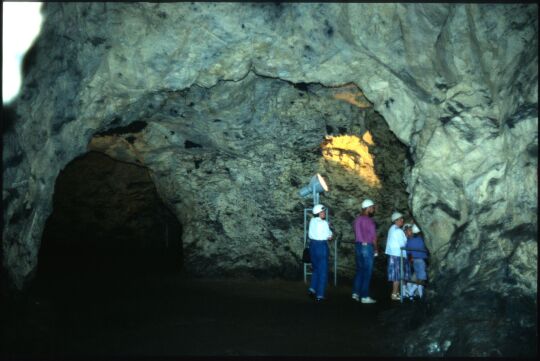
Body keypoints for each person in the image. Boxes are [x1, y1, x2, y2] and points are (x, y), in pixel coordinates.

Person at [351, 198, 378, 304]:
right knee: (367, 272)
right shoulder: (369, 221)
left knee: (360, 270)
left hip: (358, 246)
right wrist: (376, 249)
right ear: (367, 208)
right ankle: (365, 296)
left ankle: (355, 293)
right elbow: (374, 237)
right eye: (372, 207)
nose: (373, 209)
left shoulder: (356, 220)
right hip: (367, 247)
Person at [307, 204, 333, 302]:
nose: (324, 213)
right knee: (323, 271)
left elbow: (319, 226)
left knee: (316, 269)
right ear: (318, 213)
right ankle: (320, 295)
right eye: (322, 212)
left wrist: (326, 225)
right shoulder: (324, 223)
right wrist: (330, 231)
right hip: (321, 246)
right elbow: (329, 236)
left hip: (312, 246)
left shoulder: (312, 221)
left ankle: (312, 289)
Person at [384, 212, 410, 301]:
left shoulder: (392, 228)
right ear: (396, 220)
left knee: (396, 275)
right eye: (400, 219)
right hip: (398, 255)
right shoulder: (398, 231)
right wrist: (406, 237)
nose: (402, 220)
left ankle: (397, 292)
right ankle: (394, 294)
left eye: (402, 218)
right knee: (397, 276)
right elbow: (403, 244)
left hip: (393, 255)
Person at [404, 224, 428, 299]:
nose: (410, 231)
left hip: (415, 261)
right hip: (420, 260)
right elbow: (424, 246)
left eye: (410, 230)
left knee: (418, 277)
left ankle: (420, 296)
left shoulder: (408, 242)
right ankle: (411, 291)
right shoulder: (419, 239)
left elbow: (407, 253)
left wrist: (411, 257)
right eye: (408, 230)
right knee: (421, 278)